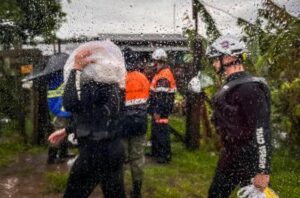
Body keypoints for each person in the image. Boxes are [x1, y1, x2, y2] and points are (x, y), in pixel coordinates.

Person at [48, 41, 126, 198]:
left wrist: (76, 68)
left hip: (93, 153)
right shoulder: (114, 87)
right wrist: (68, 130)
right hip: (114, 150)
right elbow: (96, 117)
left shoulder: (95, 86)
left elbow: (70, 103)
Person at [206, 35, 272, 198]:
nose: (214, 64)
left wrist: (263, 170)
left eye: (215, 59)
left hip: (250, 159)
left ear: (228, 58)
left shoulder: (250, 88)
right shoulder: (231, 86)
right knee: (215, 194)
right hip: (230, 156)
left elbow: (261, 130)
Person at [122, 47, 150, 198]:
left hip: (123, 124)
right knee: (138, 158)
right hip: (140, 123)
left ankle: (118, 188)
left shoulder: (120, 78)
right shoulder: (143, 78)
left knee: (120, 157)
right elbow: (147, 100)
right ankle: (137, 190)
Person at [148, 48, 176, 163]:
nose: (153, 64)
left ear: (158, 61)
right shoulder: (160, 73)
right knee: (156, 131)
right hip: (159, 108)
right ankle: (156, 152)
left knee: (162, 132)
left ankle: (164, 156)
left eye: (154, 61)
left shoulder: (163, 76)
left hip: (161, 109)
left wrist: (158, 111)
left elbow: (162, 97)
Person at [46, 54, 74, 164]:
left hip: (60, 108)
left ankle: (63, 153)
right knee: (59, 132)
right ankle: (51, 157)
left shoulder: (53, 76)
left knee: (64, 132)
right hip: (62, 109)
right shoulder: (62, 76)